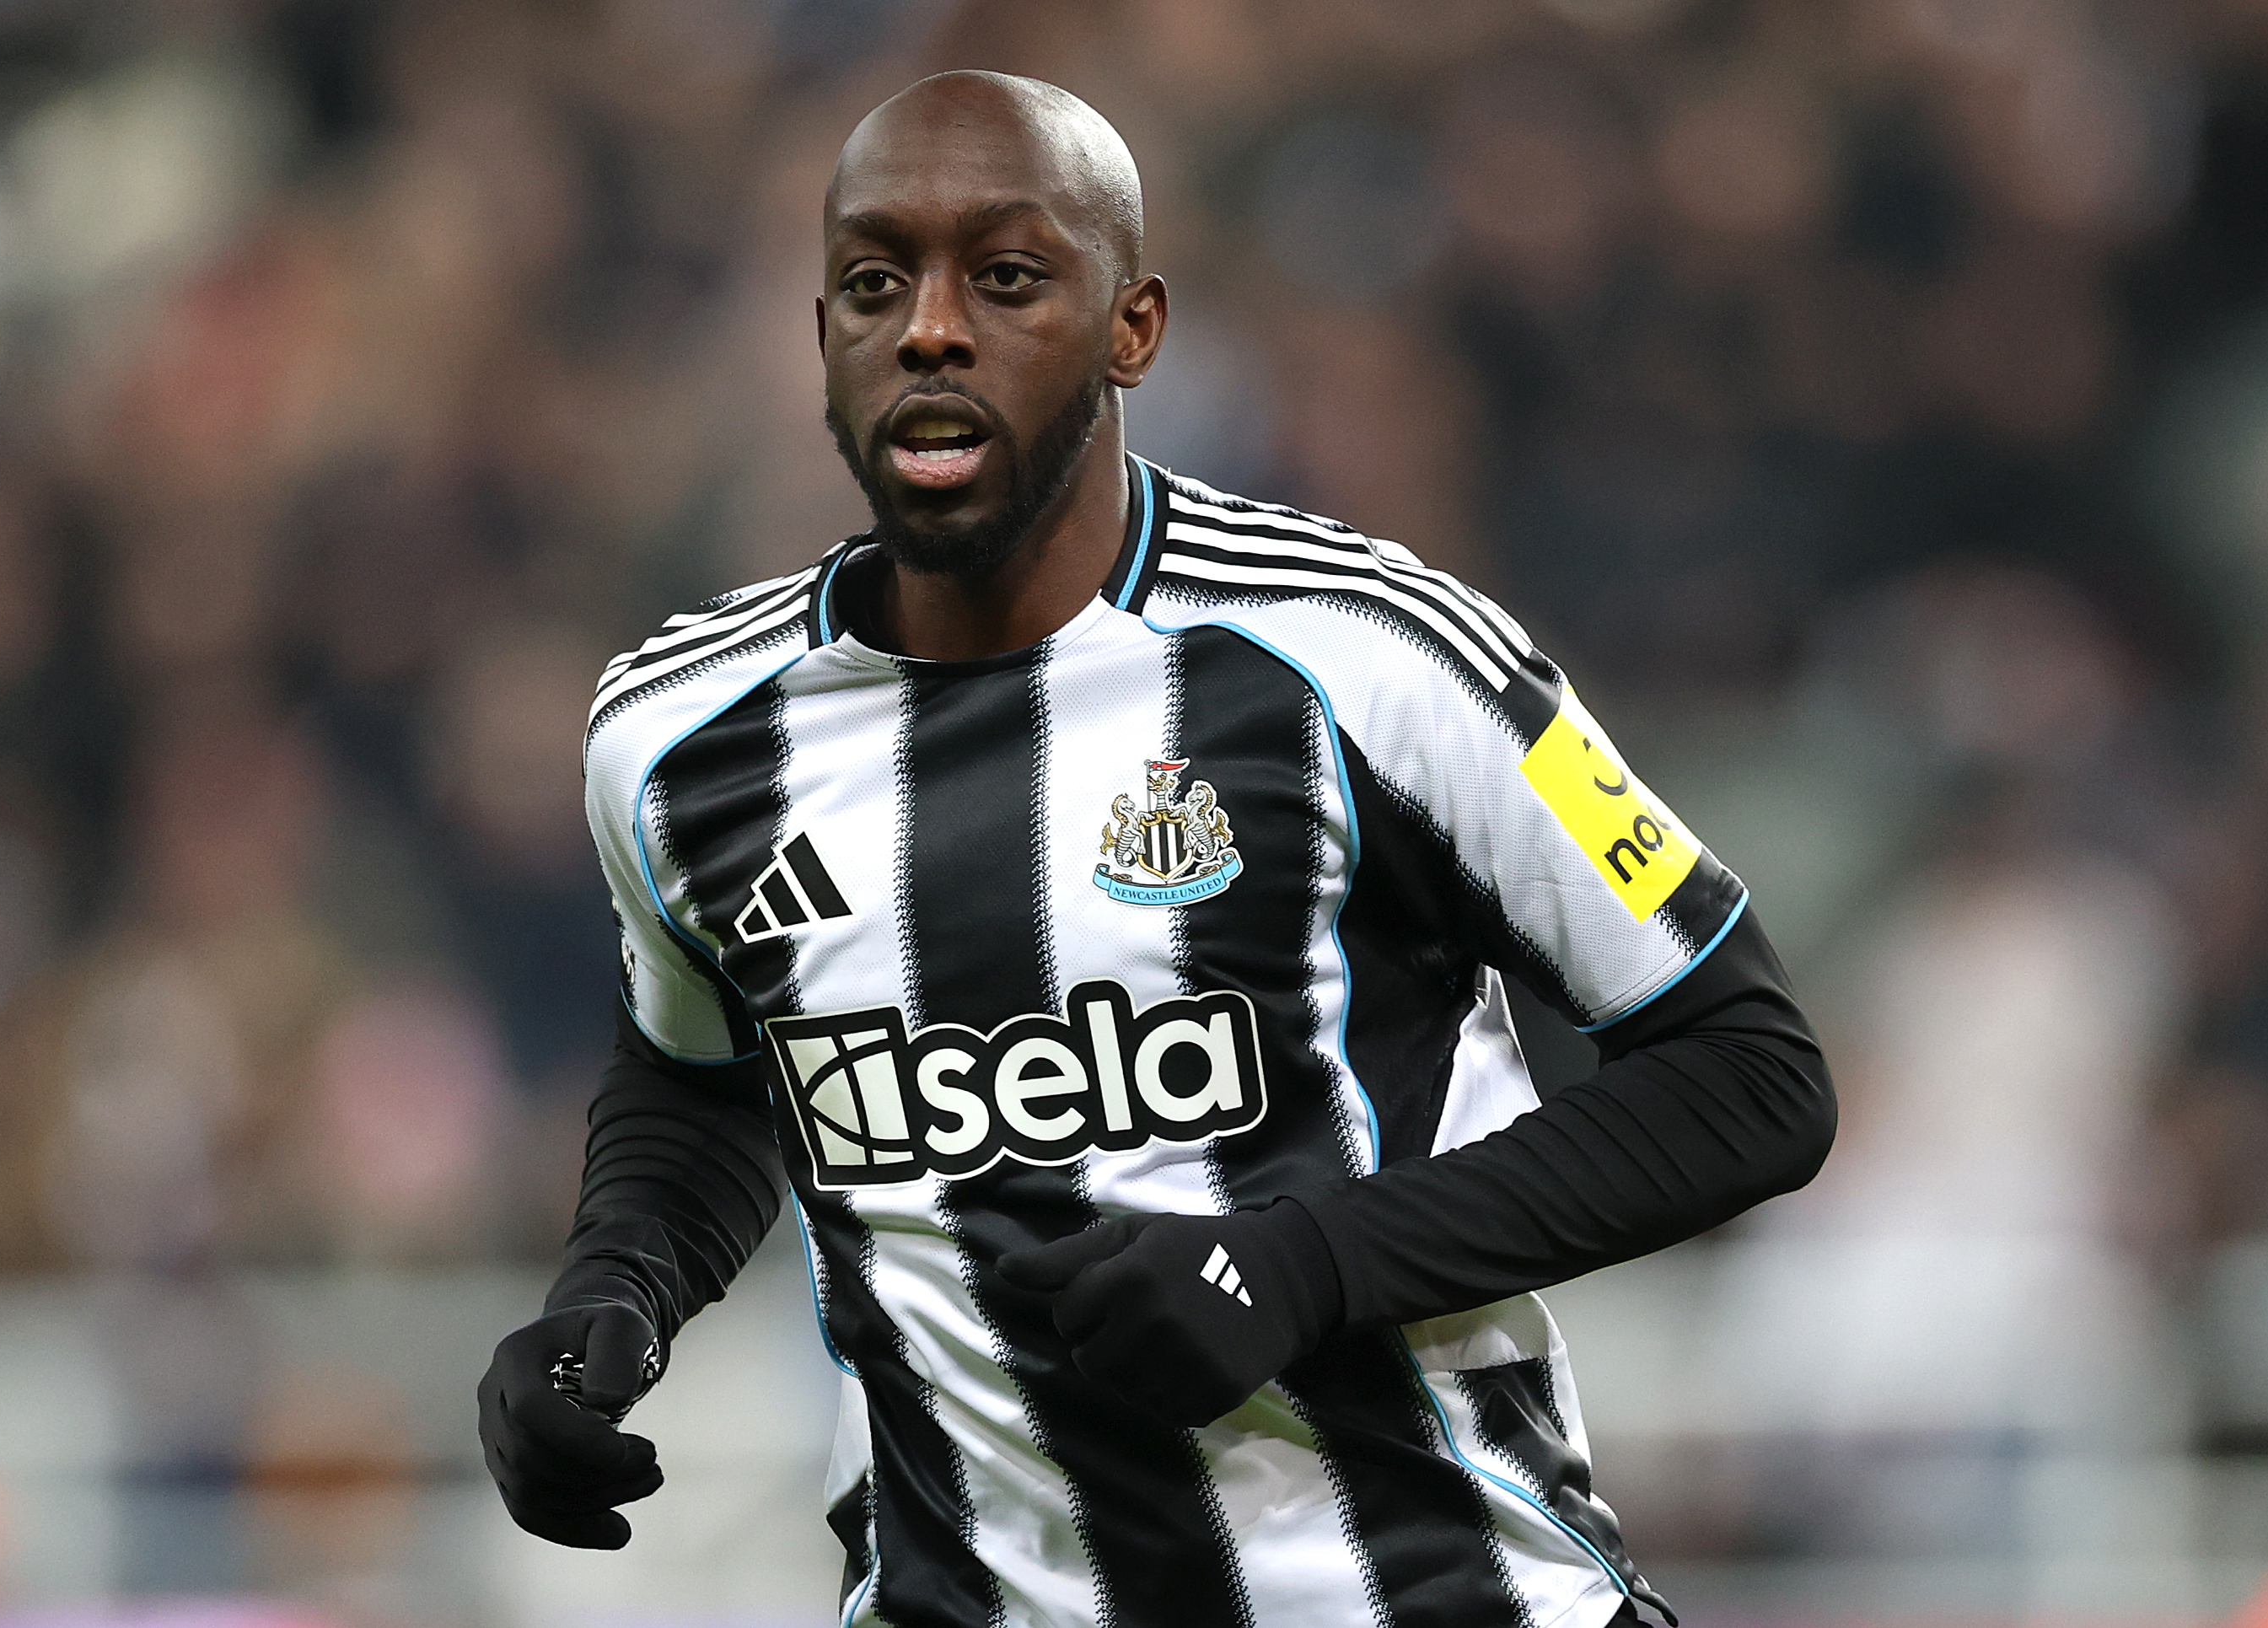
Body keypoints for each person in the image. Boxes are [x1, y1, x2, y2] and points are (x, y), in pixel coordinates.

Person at [476, 70, 1834, 1628]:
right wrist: (613, 1295)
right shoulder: (676, 739)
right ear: (823, 340)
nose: (928, 327)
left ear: (1132, 329)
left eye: (1005, 277)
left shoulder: (1365, 657)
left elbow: (1749, 1075)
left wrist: (1302, 1267)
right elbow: (703, 1074)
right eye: (872, 282)